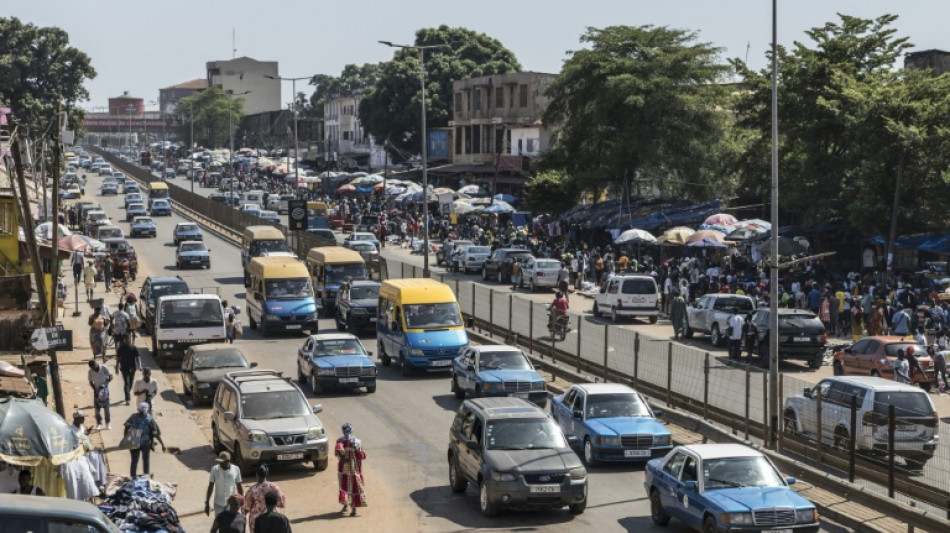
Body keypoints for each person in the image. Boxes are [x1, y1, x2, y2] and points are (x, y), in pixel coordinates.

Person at [124, 402, 165, 478]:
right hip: (146, 443)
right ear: (148, 409)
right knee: (146, 460)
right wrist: (162, 444)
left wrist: (126, 438)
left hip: (134, 442)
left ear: (138, 409)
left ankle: (133, 477)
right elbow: (155, 433)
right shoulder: (150, 419)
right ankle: (146, 476)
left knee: (134, 461)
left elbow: (126, 425)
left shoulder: (133, 417)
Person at [336, 423, 367, 516]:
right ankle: (353, 509)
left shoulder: (339, 442)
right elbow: (362, 456)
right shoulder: (357, 441)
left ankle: (345, 505)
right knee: (354, 488)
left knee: (344, 487)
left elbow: (338, 455)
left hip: (343, 470)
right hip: (354, 469)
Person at [244, 464, 285, 533]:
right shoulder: (273, 486)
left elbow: (246, 506)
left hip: (255, 520)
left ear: (256, 474)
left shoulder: (252, 489)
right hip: (271, 518)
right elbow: (281, 502)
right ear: (266, 474)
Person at [206, 451, 244, 517]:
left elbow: (239, 486)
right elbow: (210, 486)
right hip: (218, 503)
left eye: (222, 462)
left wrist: (242, 503)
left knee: (229, 523)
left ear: (228, 461)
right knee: (219, 523)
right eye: (219, 461)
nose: (219, 463)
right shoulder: (214, 469)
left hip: (231, 504)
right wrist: (207, 503)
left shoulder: (236, 469)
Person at [87, 360, 112, 430]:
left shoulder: (104, 368)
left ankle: (108, 423)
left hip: (104, 391)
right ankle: (99, 424)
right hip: (97, 391)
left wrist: (105, 383)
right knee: (97, 409)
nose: (94, 369)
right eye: (92, 368)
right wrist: (94, 389)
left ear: (97, 364)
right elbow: (90, 381)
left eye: (95, 367)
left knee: (106, 408)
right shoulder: (90, 372)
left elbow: (111, 376)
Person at [115, 337, 139, 406]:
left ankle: (127, 392)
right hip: (124, 368)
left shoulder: (134, 348)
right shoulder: (120, 349)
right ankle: (127, 399)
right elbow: (118, 359)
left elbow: (138, 357)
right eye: (126, 339)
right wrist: (116, 367)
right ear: (124, 340)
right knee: (127, 383)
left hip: (132, 368)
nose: (128, 341)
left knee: (131, 382)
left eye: (129, 339)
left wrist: (139, 366)